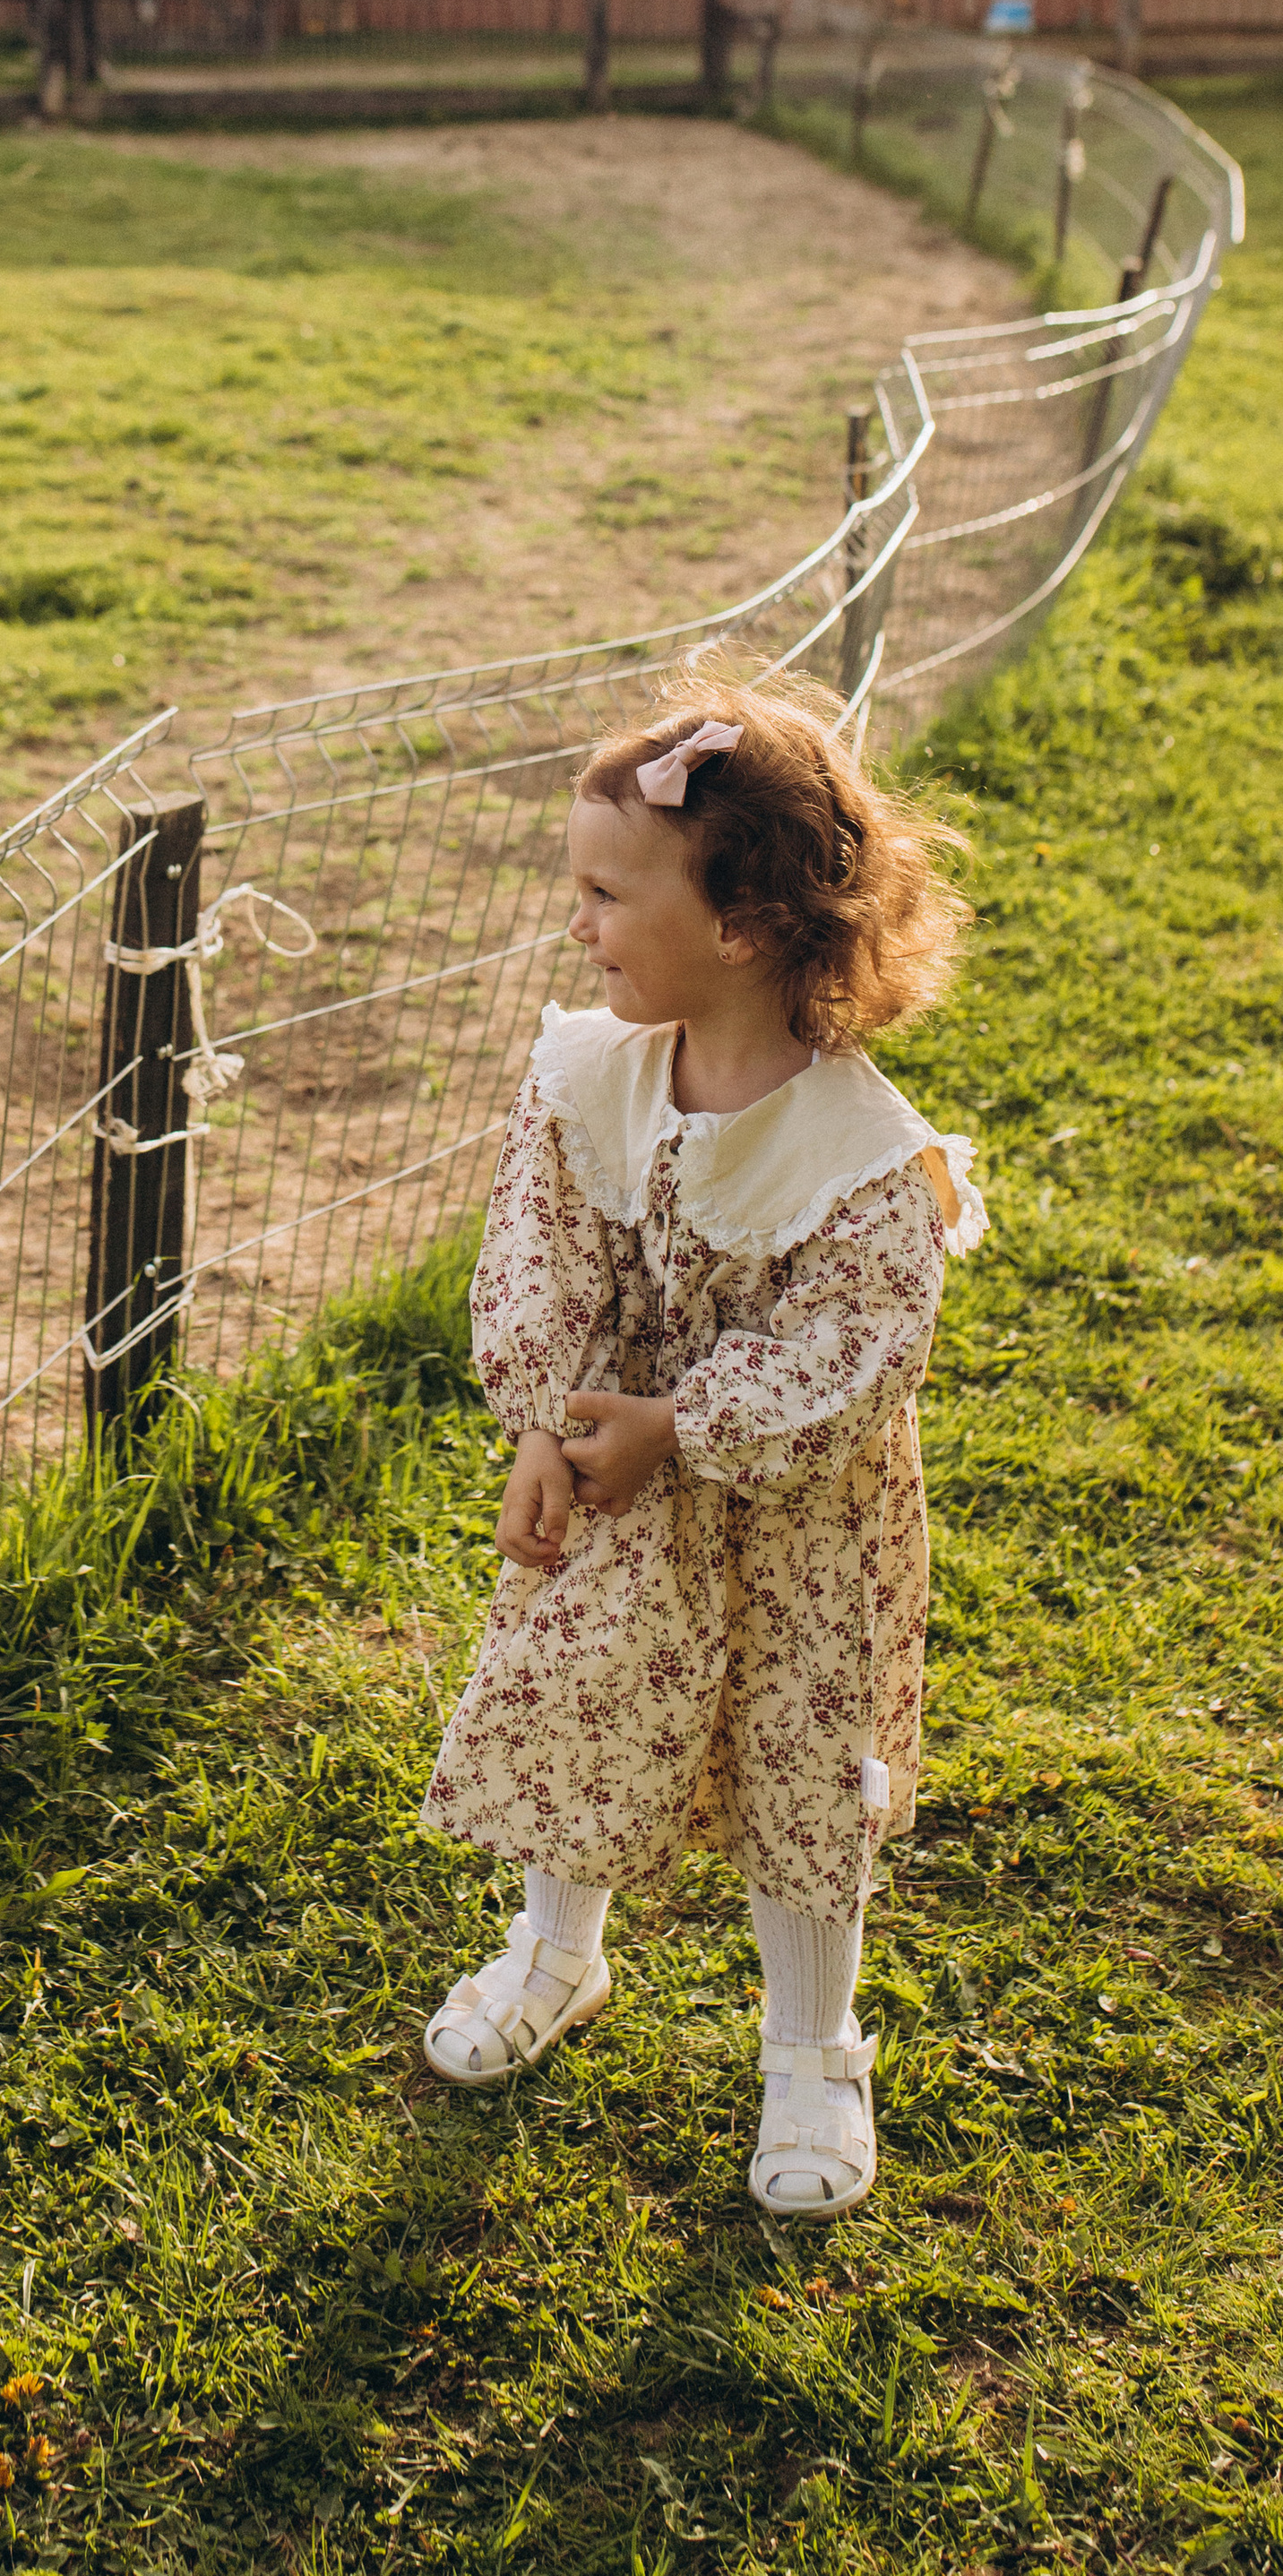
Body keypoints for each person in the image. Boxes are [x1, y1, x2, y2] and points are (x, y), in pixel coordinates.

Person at [418, 667, 983, 2220]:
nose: (579, 924)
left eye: (608, 893)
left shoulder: (863, 1155)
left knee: (805, 1776)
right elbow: (542, 1252)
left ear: (736, 926)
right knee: (584, 1697)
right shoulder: (590, 1077)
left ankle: (813, 2052)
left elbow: (856, 1359)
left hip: (799, 1526)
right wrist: (549, 1418)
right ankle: (556, 1953)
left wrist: (688, 1422)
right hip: (622, 1491)